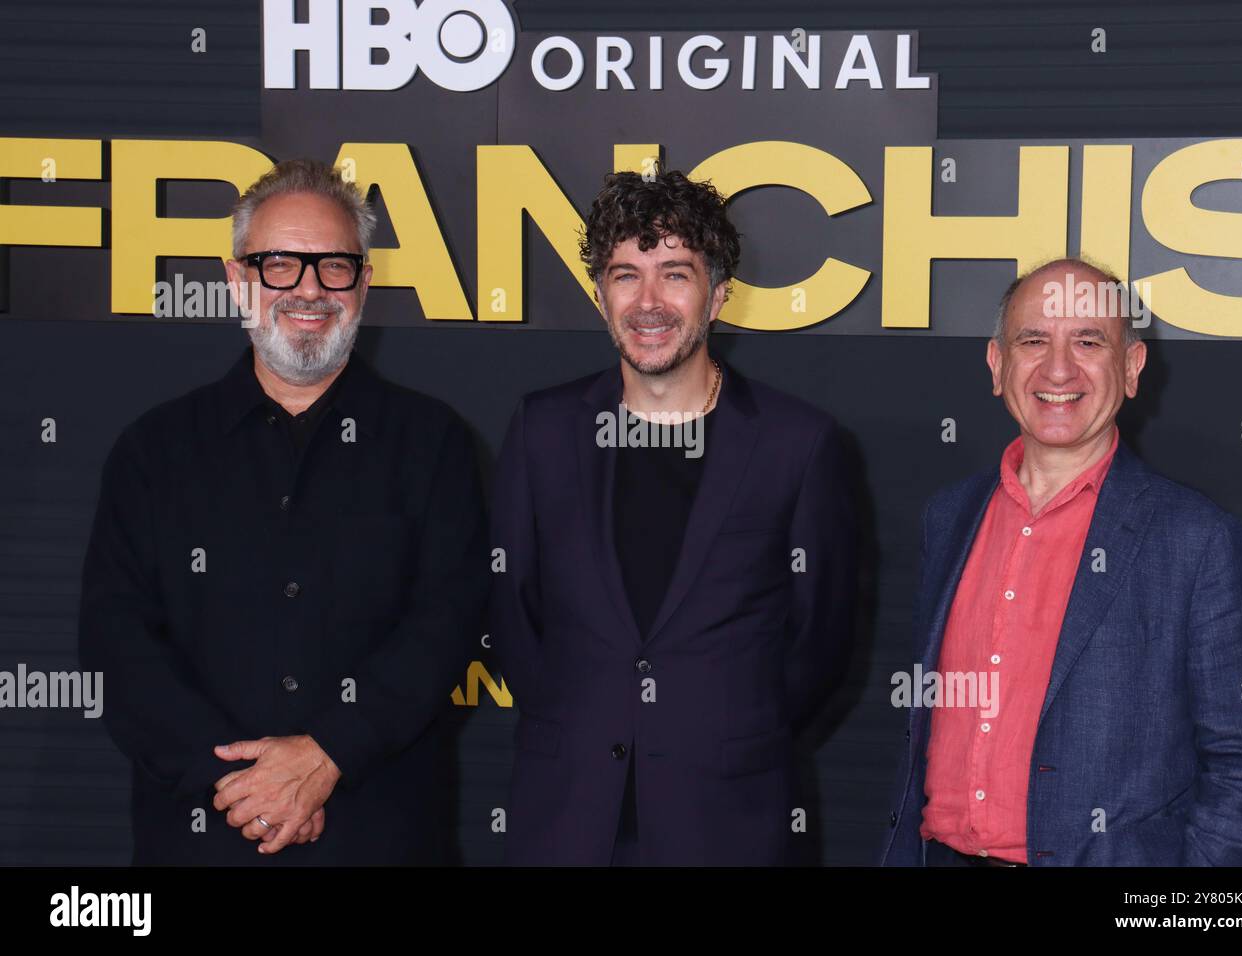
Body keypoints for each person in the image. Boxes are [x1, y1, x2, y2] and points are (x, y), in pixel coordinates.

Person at [78, 158, 488, 864]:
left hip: (379, 835)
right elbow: (117, 648)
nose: (307, 289)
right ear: (238, 279)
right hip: (203, 834)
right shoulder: (154, 451)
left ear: (362, 284)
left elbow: (446, 628)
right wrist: (243, 789)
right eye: (278, 265)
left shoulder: (435, 444)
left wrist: (329, 756)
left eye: (333, 267)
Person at [490, 168, 858, 865]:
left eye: (675, 274)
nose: (648, 302)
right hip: (565, 815)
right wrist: (582, 723)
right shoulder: (542, 430)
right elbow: (514, 610)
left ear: (718, 295)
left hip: (727, 822)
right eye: (626, 274)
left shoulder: (797, 444)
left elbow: (819, 644)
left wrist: (724, 731)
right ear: (601, 294)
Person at [882, 257, 1242, 866]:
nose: (1059, 368)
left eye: (1089, 341)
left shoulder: (1198, 540)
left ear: (1131, 368)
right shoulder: (949, 517)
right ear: (997, 365)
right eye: (1034, 340)